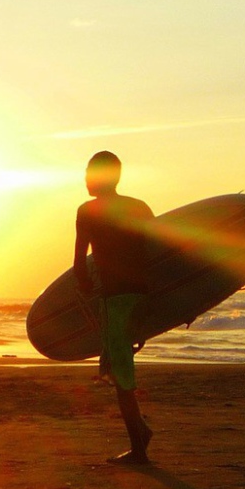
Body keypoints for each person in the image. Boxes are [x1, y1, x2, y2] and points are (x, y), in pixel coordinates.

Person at [74, 150, 155, 464]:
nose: (84, 179)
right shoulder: (139, 207)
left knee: (120, 374)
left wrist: (83, 288)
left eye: (88, 173)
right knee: (118, 367)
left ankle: (139, 447)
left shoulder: (88, 211)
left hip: (115, 300)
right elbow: (157, 253)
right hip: (142, 297)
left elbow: (81, 262)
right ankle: (140, 433)